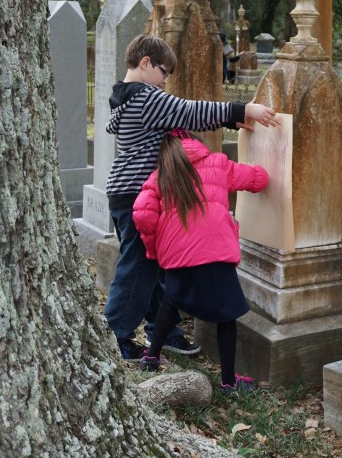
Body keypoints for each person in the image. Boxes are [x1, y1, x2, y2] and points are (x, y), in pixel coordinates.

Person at [104, 34, 278, 361]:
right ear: (144, 63)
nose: (166, 79)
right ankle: (115, 337)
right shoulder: (145, 97)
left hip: (129, 195)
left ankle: (164, 333)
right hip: (137, 197)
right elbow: (189, 111)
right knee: (137, 272)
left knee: (153, 269)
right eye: (164, 71)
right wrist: (242, 109)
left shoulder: (126, 99)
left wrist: (231, 118)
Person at [132, 129, 269, 391]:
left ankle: (151, 356)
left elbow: (142, 215)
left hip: (177, 253)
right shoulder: (217, 162)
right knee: (226, 314)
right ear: (196, 143)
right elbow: (255, 179)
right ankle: (229, 383)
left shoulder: (161, 176)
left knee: (170, 302)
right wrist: (267, 173)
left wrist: (154, 250)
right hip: (215, 249)